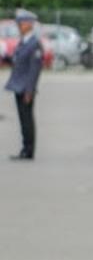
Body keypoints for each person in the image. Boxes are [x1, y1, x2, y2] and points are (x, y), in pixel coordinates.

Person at [5, 9, 44, 160]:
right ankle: (25, 147)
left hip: (25, 88)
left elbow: (34, 70)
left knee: (27, 120)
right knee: (23, 119)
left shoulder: (34, 44)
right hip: (18, 86)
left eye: (21, 23)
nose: (19, 26)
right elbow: (17, 60)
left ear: (29, 24)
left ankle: (28, 150)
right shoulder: (24, 41)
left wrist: (29, 91)